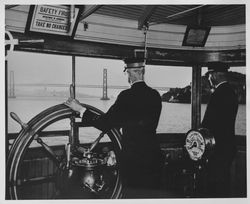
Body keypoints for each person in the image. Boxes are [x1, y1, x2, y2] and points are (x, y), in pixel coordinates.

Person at [64, 58, 164, 198]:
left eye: (126, 73)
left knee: (134, 197)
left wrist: (80, 109)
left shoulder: (126, 96)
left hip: (133, 161)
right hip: (154, 158)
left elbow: (105, 123)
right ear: (142, 72)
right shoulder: (155, 95)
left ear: (129, 73)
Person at [201, 62, 238, 197]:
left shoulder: (218, 94)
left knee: (215, 188)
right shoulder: (231, 92)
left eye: (209, 75)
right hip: (228, 147)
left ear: (215, 75)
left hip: (218, 149)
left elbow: (208, 124)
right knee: (223, 185)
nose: (209, 79)